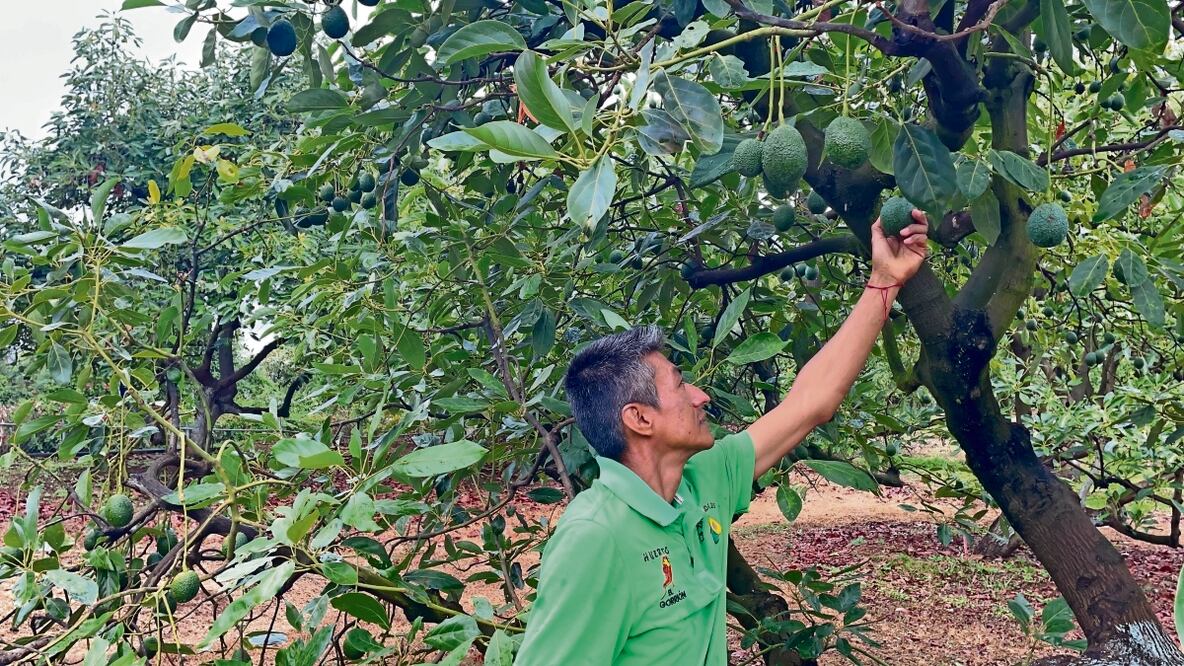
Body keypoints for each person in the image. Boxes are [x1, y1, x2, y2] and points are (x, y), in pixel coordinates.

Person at [513, 212, 929, 665]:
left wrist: (884, 281)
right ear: (639, 419)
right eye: (679, 384)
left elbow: (811, 402)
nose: (701, 395)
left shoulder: (701, 481)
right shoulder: (596, 539)